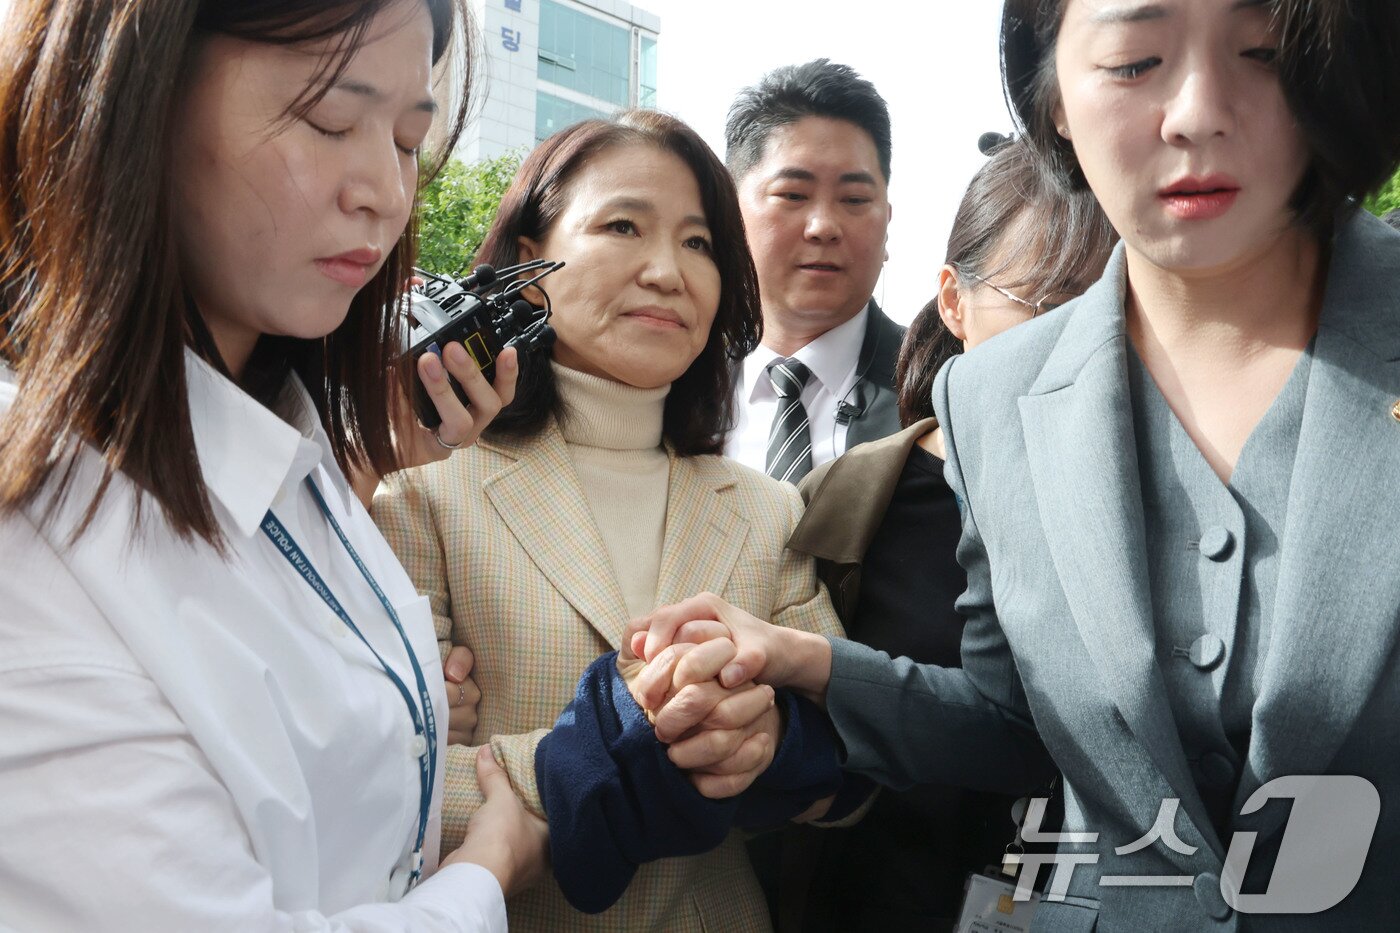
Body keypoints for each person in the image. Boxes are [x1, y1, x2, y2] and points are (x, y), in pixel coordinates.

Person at [631, 1, 1400, 930]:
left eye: (1264, 51)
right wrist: (810, 663)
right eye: (1135, 60)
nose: (1197, 110)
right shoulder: (994, 397)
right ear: (1056, 98)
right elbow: (1016, 724)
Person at [0, 1, 548, 930]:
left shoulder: (282, 424)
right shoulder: (35, 523)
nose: (384, 188)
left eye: (411, 141)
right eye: (330, 120)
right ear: (133, 98)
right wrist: (484, 876)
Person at [371, 109, 851, 932]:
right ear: (530, 261)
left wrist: (766, 740)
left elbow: (845, 761)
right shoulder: (422, 488)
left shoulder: (769, 508)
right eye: (624, 225)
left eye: (699, 243)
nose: (667, 271)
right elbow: (379, 781)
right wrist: (624, 748)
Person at [777, 136, 1117, 932]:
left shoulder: (1165, 513)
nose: (1085, 345)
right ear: (954, 301)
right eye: (1048, 302)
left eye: (1114, 310)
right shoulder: (850, 502)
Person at [722, 60, 905, 483]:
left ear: (887, 223)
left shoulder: (938, 390)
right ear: (731, 213)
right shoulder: (675, 388)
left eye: (855, 200)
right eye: (793, 194)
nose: (823, 226)